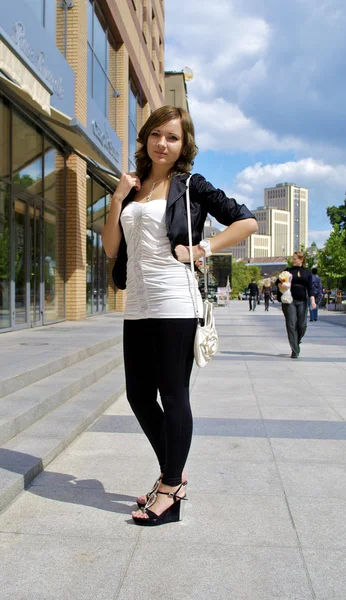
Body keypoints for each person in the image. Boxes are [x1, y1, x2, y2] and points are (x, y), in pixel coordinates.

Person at [102, 105, 257, 526]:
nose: (162, 143)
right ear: (146, 139)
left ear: (184, 144)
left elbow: (246, 222)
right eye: (156, 134)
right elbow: (112, 248)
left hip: (175, 300)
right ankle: (174, 475)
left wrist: (201, 249)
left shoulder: (191, 186)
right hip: (136, 303)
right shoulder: (133, 188)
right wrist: (117, 198)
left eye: (172, 136)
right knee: (137, 395)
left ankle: (170, 489)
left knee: (172, 395)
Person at [276, 252, 316, 359]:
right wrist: (281, 285)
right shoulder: (287, 271)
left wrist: (313, 301)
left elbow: (310, 288)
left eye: (295, 259)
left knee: (302, 325)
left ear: (301, 260)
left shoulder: (307, 273)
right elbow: (277, 282)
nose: (292, 260)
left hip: (302, 301)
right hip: (289, 301)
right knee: (291, 324)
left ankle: (296, 342)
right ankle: (294, 349)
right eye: (292, 259)